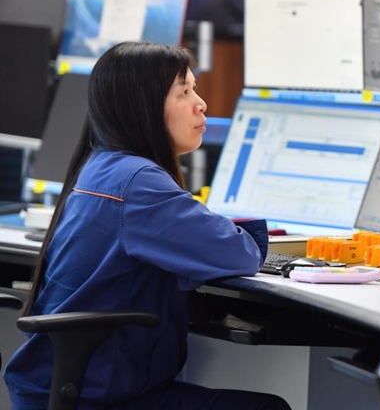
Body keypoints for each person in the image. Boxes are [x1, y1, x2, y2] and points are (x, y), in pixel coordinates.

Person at [3, 42, 290, 410]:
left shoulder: (103, 166)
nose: (200, 103)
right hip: (96, 399)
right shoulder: (139, 182)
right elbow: (239, 253)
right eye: (184, 92)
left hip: (60, 390)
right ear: (143, 107)